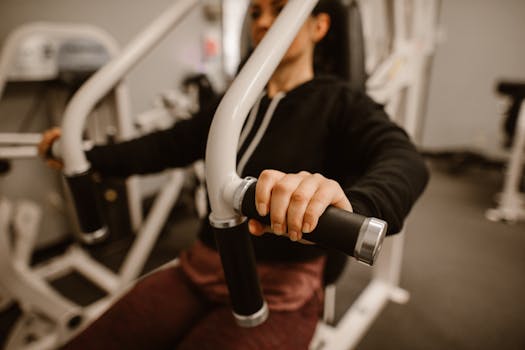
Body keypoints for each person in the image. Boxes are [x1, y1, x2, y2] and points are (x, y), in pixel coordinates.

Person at [39, 0, 429, 349]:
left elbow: (405, 161)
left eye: (279, 9)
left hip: (282, 292)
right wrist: (84, 152)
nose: (263, 22)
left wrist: (351, 203)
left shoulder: (341, 102)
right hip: (200, 268)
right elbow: (163, 146)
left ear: (319, 26)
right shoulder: (234, 105)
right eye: (256, 12)